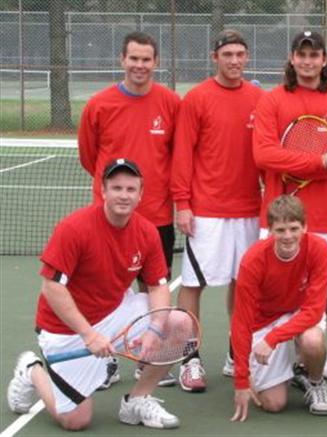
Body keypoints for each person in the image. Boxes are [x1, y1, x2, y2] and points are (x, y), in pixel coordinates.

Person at [6, 159, 182, 430]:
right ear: (103, 191)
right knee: (76, 420)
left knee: (177, 323)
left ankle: (137, 400)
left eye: (130, 189)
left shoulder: (146, 232)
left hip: (113, 314)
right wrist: (89, 334)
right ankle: (32, 370)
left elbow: (158, 286)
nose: (124, 195)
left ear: (140, 194)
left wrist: (156, 329)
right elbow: (52, 287)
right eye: (117, 188)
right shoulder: (74, 228)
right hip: (65, 330)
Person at [252, 30, 327, 383]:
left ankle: (306, 364)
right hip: (279, 215)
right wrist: (318, 162)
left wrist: (292, 162)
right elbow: (263, 154)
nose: (308, 61)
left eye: (315, 55)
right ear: (292, 59)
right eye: (302, 54)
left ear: (324, 60)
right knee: (275, 291)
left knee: (317, 295)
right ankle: (271, 362)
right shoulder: (272, 101)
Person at [78, 31, 180, 388]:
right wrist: (118, 198)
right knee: (109, 294)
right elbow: (90, 159)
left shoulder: (170, 102)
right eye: (133, 58)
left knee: (154, 290)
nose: (140, 65)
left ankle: (146, 358)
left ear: (156, 62)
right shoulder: (99, 104)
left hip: (158, 217)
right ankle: (106, 364)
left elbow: (177, 155)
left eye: (146, 59)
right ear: (122, 60)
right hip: (109, 221)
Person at [171, 29, 264, 392]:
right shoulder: (196, 99)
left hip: (250, 211)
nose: (235, 60)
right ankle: (189, 360)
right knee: (194, 284)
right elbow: (182, 154)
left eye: (241, 54)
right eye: (228, 54)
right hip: (206, 211)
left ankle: (235, 353)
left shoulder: (259, 98)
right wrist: (183, 204)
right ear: (215, 58)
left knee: (245, 285)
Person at [230, 195, 327, 421]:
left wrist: (273, 339)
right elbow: (242, 321)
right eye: (280, 230)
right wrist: (241, 379)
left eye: (294, 228)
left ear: (305, 226)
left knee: (313, 341)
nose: (288, 236)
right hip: (265, 319)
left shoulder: (319, 249)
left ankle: (315, 382)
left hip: (301, 312)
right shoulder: (253, 260)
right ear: (270, 231)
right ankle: (290, 370)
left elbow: (314, 311)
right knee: (273, 404)